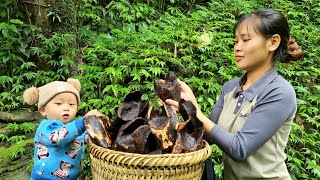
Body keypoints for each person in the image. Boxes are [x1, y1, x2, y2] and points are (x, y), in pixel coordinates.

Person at [164, 9, 303, 179]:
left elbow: (239, 148)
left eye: (245, 40)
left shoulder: (280, 92)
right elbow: (208, 134)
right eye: (236, 41)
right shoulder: (230, 87)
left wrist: (197, 113)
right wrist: (186, 108)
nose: (237, 47)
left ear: (273, 42)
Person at [24, 78, 102, 180]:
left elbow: (86, 138)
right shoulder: (46, 127)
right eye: (59, 104)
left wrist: (97, 130)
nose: (66, 108)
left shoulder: (76, 129)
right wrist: (83, 122)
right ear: (43, 110)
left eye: (71, 104)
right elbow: (58, 137)